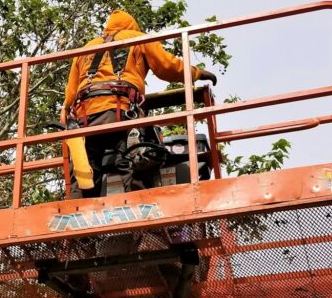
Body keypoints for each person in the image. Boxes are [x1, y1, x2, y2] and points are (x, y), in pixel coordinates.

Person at [63, 10, 217, 198]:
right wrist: (197, 73)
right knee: (132, 160)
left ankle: (76, 212)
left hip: (86, 116)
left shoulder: (88, 47)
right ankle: (135, 208)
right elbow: (167, 66)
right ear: (132, 25)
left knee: (85, 168)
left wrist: (67, 114)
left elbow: (70, 94)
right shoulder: (137, 38)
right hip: (119, 110)